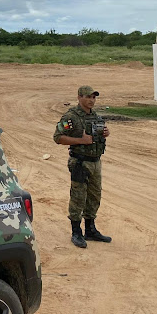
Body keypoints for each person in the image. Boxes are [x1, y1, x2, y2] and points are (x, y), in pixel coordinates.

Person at [53, 86, 111, 248]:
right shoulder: (71, 117)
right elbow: (58, 137)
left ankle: (90, 229)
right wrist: (81, 141)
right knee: (78, 197)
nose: (91, 100)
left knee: (94, 196)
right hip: (80, 162)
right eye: (88, 97)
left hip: (95, 162)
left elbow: (97, 136)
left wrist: (105, 133)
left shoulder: (95, 116)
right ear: (79, 97)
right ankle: (76, 232)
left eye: (93, 97)